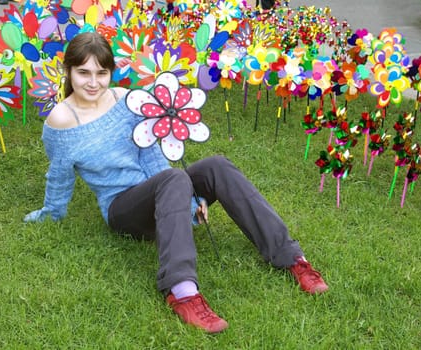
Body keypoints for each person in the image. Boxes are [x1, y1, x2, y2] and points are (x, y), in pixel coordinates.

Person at [24, 31, 328, 334]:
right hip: (123, 210)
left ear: (111, 73)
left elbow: (150, 153)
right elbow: (59, 175)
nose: (93, 82)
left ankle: (291, 258)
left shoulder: (124, 100)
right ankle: (181, 291)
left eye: (101, 73)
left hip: (161, 190)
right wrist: (51, 212)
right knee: (171, 179)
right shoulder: (62, 120)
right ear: (69, 71)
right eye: (84, 73)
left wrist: (187, 199)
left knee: (216, 166)